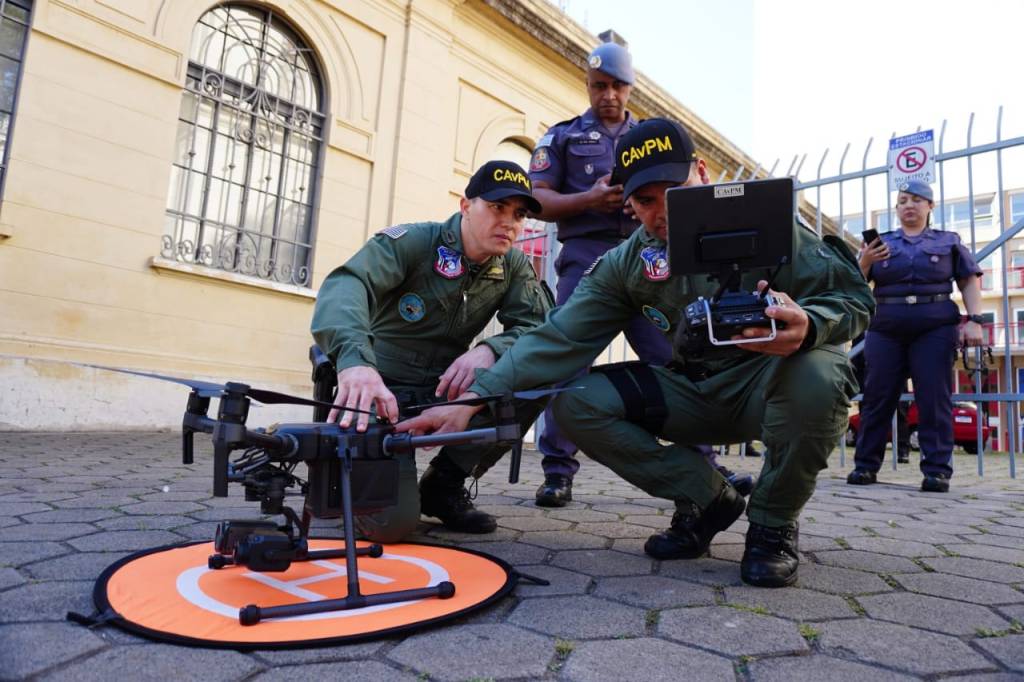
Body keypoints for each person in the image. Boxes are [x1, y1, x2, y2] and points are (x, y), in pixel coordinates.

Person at [397, 119, 874, 587]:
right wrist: (472, 401)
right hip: (694, 393)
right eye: (645, 200)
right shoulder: (629, 262)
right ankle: (708, 500)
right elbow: (558, 340)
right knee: (576, 400)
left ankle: (772, 525)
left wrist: (810, 324)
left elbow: (853, 299)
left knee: (822, 372)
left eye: (674, 190)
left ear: (701, 173)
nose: (662, 211)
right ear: (628, 203)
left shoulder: (772, 228)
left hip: (771, 386)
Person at [527, 41, 745, 507]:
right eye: (598, 85)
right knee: (569, 359)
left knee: (676, 355)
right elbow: (537, 199)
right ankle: (558, 470)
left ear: (631, 87)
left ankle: (703, 462)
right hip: (587, 255)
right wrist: (589, 199)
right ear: (587, 86)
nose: (608, 94)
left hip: (651, 258)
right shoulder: (563, 136)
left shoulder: (650, 138)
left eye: (617, 85)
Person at [310, 160, 552, 542]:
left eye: (519, 214)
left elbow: (538, 329)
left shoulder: (513, 265)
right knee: (392, 526)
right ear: (465, 206)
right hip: (380, 392)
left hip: (444, 391)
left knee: (538, 377)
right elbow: (347, 284)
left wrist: (490, 350)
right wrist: (354, 363)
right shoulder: (416, 242)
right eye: (497, 207)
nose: (510, 222)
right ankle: (361, 474)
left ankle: (443, 487)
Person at [848, 180, 984, 492]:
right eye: (903, 200)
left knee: (934, 397)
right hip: (886, 326)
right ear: (896, 208)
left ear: (930, 206)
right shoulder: (881, 242)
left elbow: (967, 280)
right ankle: (865, 466)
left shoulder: (949, 240)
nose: (909, 205)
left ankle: (937, 471)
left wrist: (975, 320)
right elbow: (856, 283)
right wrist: (865, 261)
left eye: (917, 200)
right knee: (877, 397)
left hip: (934, 326)